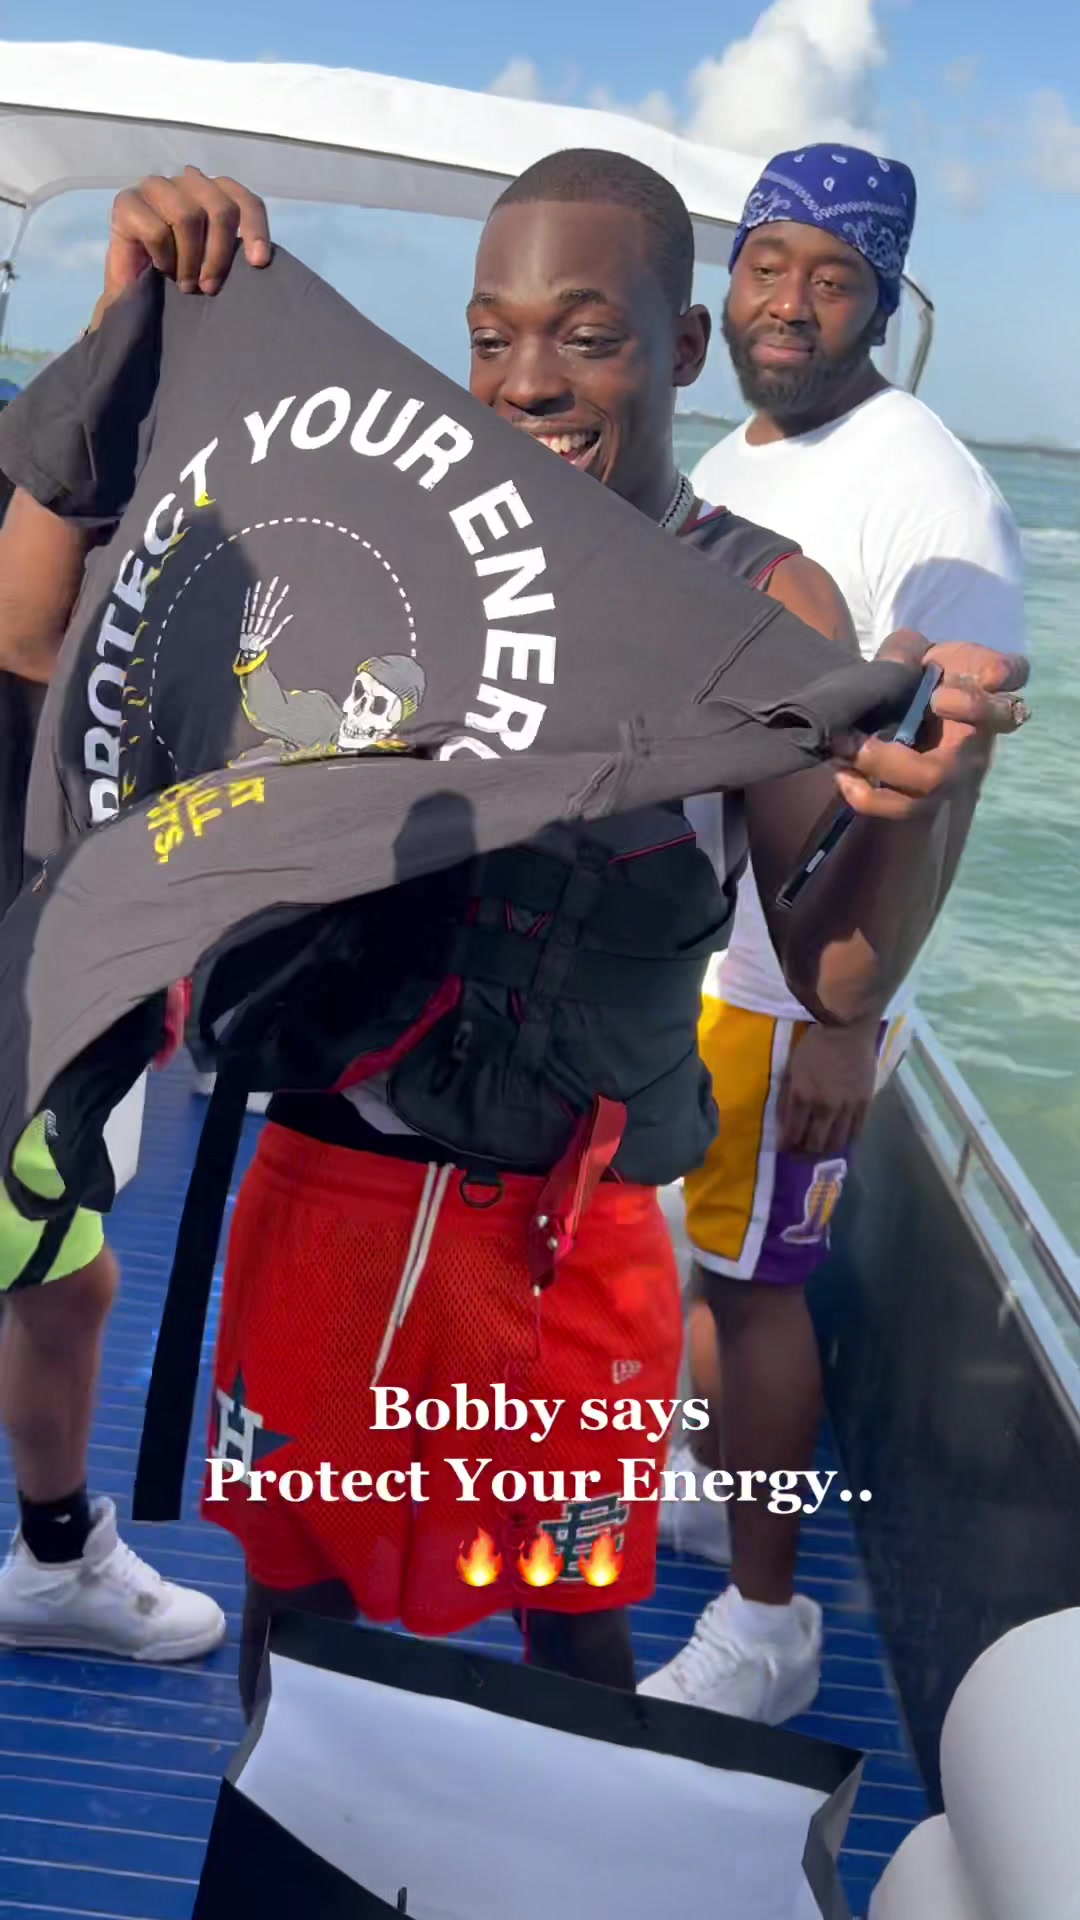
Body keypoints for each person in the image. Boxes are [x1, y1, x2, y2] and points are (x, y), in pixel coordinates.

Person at [0, 158, 1025, 1716]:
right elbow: (36, 639)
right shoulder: (382, 535)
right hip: (326, 1185)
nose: (527, 380)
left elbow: (839, 971)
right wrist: (122, 339)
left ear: (684, 347)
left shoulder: (759, 599)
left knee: (574, 1614)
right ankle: (284, 1816)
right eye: (491, 339)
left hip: (571, 1234)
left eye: (588, 337)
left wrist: (921, 809)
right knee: (294, 1590)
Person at [642, 144, 1027, 1721]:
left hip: (791, 984)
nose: (790, 303)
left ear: (884, 302)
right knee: (703, 1262)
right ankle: (702, 1486)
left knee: (755, 1294)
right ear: (726, 280)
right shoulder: (745, 451)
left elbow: (952, 776)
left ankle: (768, 1622)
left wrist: (852, 1023)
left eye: (834, 278)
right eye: (767, 264)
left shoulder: (929, 489)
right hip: (698, 953)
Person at [0, 180, 278, 1661]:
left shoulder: (42, 444)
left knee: (67, 1274)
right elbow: (29, 629)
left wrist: (129, 325)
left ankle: (56, 1555)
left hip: (54, 975)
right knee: (58, 1272)